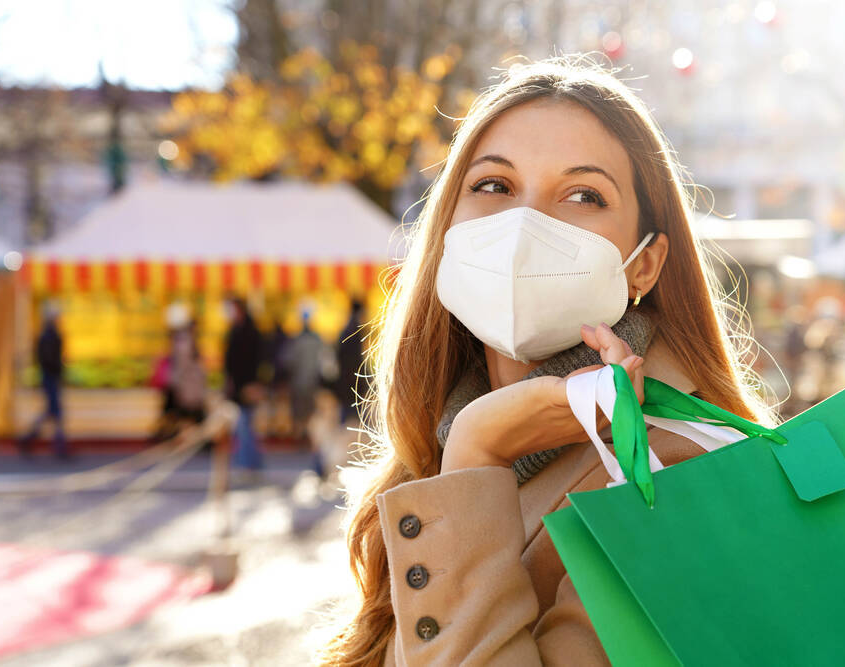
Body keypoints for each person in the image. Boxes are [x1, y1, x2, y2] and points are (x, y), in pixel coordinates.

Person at [317, 58, 776, 666]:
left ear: (644, 263)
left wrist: (476, 457)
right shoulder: (432, 439)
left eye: (583, 195)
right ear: (447, 227)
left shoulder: (668, 469)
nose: (523, 224)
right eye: (494, 186)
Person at [18, 303, 68, 460]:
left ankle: (31, 439)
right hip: (50, 376)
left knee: (52, 411)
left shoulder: (50, 333)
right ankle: (58, 446)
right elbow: (47, 358)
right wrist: (57, 368)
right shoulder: (47, 335)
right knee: (55, 412)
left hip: (51, 376)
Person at [223, 297, 264, 471]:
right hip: (240, 387)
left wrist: (254, 382)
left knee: (245, 427)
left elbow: (253, 360)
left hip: (247, 386)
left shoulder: (248, 331)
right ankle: (248, 462)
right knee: (244, 427)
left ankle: (248, 463)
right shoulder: (238, 329)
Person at [283, 307, 326, 475]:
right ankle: (309, 442)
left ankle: (303, 441)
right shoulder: (317, 340)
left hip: (300, 383)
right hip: (313, 383)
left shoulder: (297, 340)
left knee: (300, 413)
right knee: (311, 414)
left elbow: (289, 361)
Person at [333, 298, 366, 426]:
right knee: (354, 417)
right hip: (353, 380)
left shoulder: (346, 328)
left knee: (347, 416)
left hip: (346, 380)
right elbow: (357, 357)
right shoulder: (356, 329)